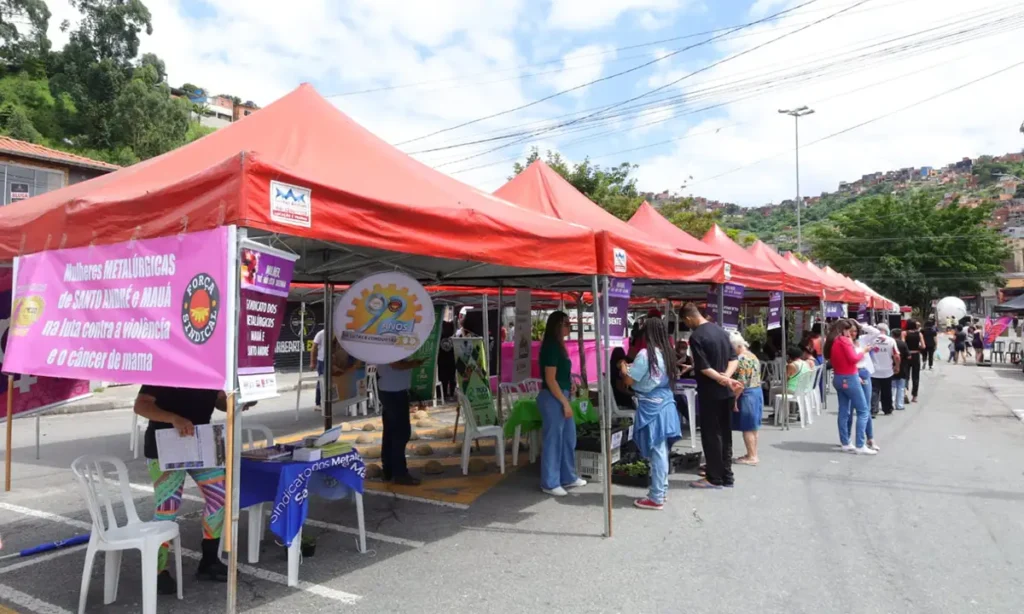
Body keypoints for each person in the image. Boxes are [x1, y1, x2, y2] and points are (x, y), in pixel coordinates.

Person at [134, 386, 248, 594]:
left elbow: (220, 401)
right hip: (164, 446)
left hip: (201, 441)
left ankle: (209, 560)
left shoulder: (214, 368)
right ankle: (158, 570)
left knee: (220, 497)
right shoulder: (168, 366)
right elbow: (141, 405)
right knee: (168, 507)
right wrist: (173, 418)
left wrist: (240, 402)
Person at [617, 318, 682, 510]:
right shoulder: (668, 353)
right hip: (667, 402)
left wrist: (622, 367)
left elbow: (629, 380)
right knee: (662, 450)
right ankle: (661, 490)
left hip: (652, 405)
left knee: (657, 451)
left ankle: (656, 497)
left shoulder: (646, 354)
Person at [680, 303, 742, 489]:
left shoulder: (697, 337)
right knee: (725, 434)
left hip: (710, 392)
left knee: (711, 435)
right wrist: (727, 377)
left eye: (685, 321)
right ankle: (727, 475)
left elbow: (704, 368)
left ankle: (714, 477)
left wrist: (723, 379)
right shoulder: (721, 331)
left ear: (689, 318)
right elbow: (734, 358)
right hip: (726, 393)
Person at [537, 311, 586, 496]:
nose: (569, 326)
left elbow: (559, 375)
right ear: (557, 325)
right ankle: (550, 482)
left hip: (561, 394)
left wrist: (570, 385)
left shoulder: (559, 346)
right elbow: (550, 379)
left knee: (567, 437)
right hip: (553, 397)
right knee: (554, 440)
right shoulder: (551, 346)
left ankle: (568, 476)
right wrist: (565, 402)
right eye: (566, 323)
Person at [825, 319, 876, 455]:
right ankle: (860, 444)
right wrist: (864, 350)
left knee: (844, 410)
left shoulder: (833, 342)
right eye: (848, 330)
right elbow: (854, 359)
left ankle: (845, 442)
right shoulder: (844, 340)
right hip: (849, 377)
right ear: (843, 330)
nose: (850, 333)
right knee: (863, 410)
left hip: (839, 377)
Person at [377, 356, 426, 486]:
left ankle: (389, 470)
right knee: (400, 433)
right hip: (394, 391)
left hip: (391, 389)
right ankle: (399, 473)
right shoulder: (389, 343)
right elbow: (395, 364)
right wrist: (414, 363)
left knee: (390, 432)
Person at [730, 331, 763, 466]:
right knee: (753, 426)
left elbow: (740, 384)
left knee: (747, 427)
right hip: (756, 391)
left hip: (747, 394)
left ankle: (752, 456)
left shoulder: (741, 359)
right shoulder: (753, 356)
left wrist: (734, 400)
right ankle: (753, 453)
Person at [869, 323, 899, 416]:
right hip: (887, 370)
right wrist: (897, 366)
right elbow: (896, 356)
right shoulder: (891, 340)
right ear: (886, 330)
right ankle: (887, 409)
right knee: (887, 390)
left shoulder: (871, 340)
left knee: (874, 390)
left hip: (873, 370)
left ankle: (873, 409)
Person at [904, 320, 924, 402]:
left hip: (907, 356)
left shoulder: (904, 333)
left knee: (906, 375)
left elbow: (903, 345)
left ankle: (905, 393)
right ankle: (914, 396)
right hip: (916, 355)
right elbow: (923, 346)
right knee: (916, 376)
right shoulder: (919, 334)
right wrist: (917, 346)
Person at [893, 329, 911, 410]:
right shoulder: (903, 344)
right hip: (902, 367)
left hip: (891, 367)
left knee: (892, 387)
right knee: (901, 387)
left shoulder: (890, 343)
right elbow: (909, 356)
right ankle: (899, 404)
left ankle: (891, 404)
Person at [311, 327, 326, 409]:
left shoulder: (336, 333)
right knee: (321, 382)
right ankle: (318, 403)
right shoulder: (321, 333)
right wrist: (312, 362)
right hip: (322, 361)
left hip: (332, 360)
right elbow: (314, 348)